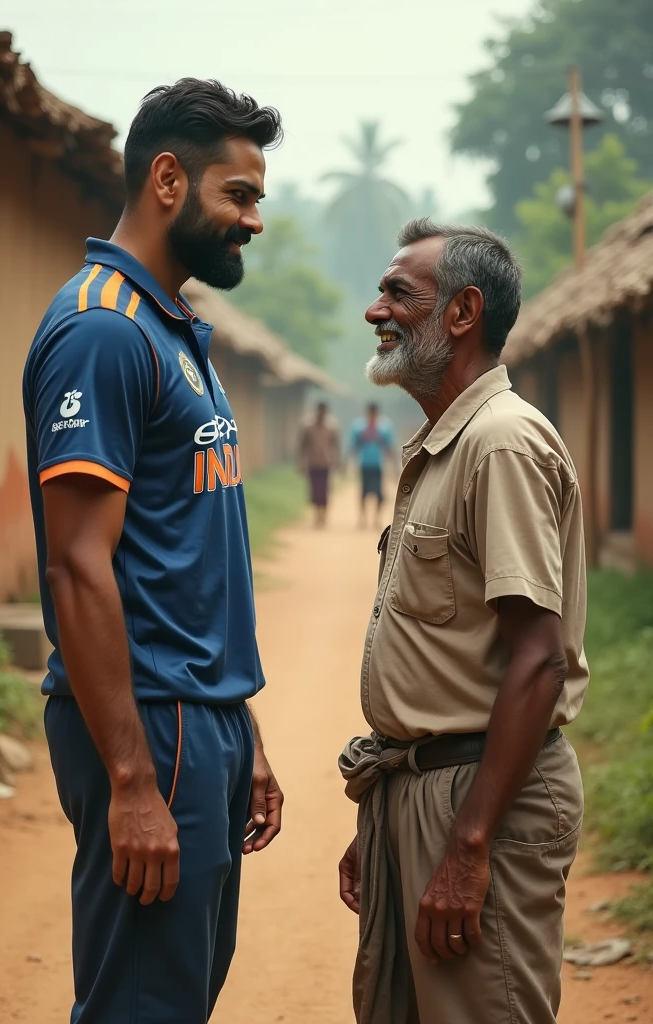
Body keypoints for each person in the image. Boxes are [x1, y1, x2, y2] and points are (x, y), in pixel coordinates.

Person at [23, 79, 285, 1024]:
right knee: (144, 1003)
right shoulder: (104, 329)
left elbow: (182, 557)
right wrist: (134, 779)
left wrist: (239, 728)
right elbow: (77, 567)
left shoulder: (170, 327)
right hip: (151, 730)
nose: (254, 219)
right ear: (168, 178)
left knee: (180, 991)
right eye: (240, 194)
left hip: (195, 720)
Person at [338, 218, 588, 1024]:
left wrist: (468, 845)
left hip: (483, 798)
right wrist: (391, 816)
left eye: (397, 292)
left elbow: (539, 660)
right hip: (426, 791)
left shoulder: (502, 445)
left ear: (461, 313)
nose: (376, 310)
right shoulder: (445, 444)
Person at [348, 402, 396, 529]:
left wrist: (395, 466)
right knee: (363, 493)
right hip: (364, 464)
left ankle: (376, 518)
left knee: (379, 494)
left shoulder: (384, 428)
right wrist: (346, 462)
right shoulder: (359, 427)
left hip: (378, 465)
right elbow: (353, 446)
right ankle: (363, 518)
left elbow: (389, 447)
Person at [297, 401, 341, 527]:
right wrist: (301, 462)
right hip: (313, 463)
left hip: (326, 463)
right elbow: (303, 445)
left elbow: (336, 445)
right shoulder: (308, 426)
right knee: (315, 490)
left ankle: (324, 516)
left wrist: (337, 461)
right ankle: (317, 515)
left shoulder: (331, 427)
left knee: (325, 490)